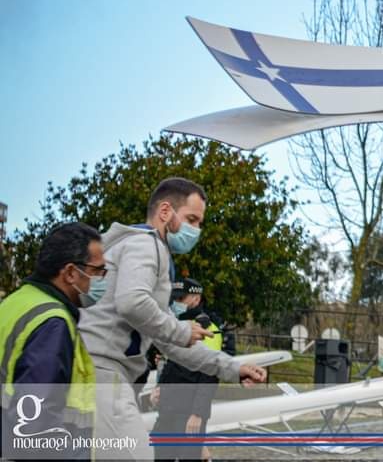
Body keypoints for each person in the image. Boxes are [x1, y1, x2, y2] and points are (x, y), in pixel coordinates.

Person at [78, 177, 266, 460]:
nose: (196, 230)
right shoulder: (148, 245)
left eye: (200, 223)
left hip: (94, 373)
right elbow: (133, 303)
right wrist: (179, 330)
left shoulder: (130, 246)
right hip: (104, 375)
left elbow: (171, 342)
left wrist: (232, 368)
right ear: (165, 212)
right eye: (192, 219)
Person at [0, 222, 103, 459]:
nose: (102, 280)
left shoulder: (15, 303)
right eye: (98, 271)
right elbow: (36, 422)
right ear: (69, 273)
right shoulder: (53, 323)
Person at [152, 278, 233, 462]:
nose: (176, 304)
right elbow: (172, 362)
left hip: (188, 411)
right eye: (175, 299)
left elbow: (210, 373)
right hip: (168, 409)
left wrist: (198, 413)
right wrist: (160, 389)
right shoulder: (177, 326)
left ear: (196, 299)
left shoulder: (208, 329)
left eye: (182, 300)